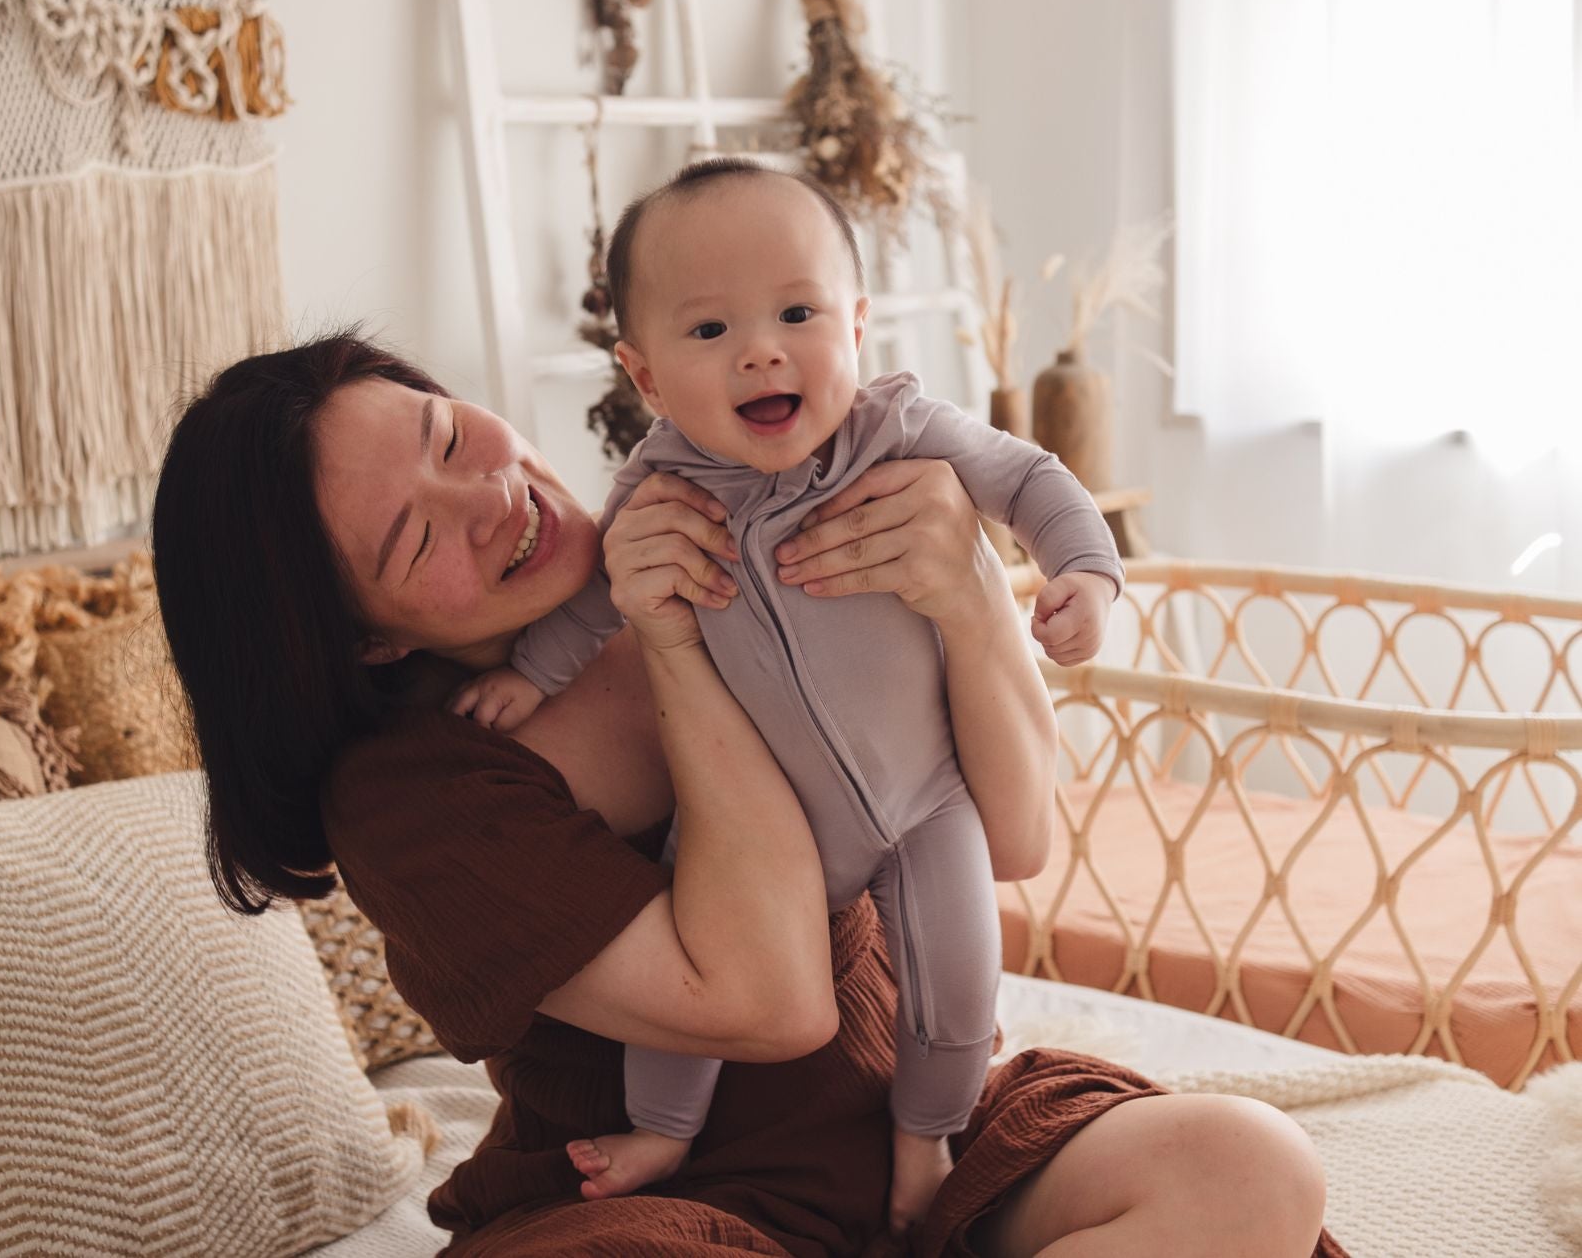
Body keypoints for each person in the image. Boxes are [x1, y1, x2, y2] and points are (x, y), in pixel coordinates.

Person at [151, 331, 1345, 1257]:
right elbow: (772, 1004)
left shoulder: (738, 505)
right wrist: (672, 645)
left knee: (1249, 1167)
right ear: (368, 642)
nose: (493, 497)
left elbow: (1016, 837)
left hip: (914, 1148)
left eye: (451, 435)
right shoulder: (418, 795)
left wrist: (972, 593)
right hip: (665, 1205)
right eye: (419, 542)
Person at [448, 158, 1122, 1230]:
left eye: (797, 312)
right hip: (768, 832)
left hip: (926, 802)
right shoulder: (660, 491)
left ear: (856, 323)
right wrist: (530, 680)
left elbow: (1032, 477)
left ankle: (924, 1138)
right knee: (695, 961)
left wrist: (1085, 571)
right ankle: (663, 1131)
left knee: (958, 983)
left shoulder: (899, 433)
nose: (762, 348)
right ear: (646, 377)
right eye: (709, 331)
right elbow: (601, 599)